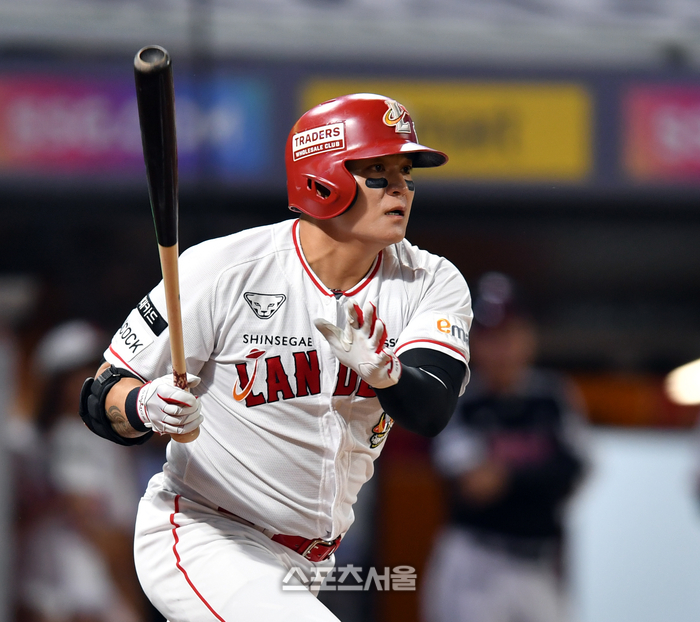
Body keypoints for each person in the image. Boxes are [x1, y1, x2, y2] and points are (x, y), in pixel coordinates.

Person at [78, 93, 472, 622]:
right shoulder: (223, 269)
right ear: (322, 180)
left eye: (405, 173)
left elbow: (432, 410)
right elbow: (101, 395)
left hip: (308, 563)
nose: (401, 188)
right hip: (206, 532)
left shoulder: (429, 281)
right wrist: (145, 406)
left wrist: (387, 373)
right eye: (378, 172)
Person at [420, 272, 589, 622]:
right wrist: (542, 474)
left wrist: (508, 476)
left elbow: (575, 470)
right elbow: (477, 485)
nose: (502, 349)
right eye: (490, 337)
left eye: (510, 334)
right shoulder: (458, 399)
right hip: (478, 563)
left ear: (529, 336)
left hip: (539, 562)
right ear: (473, 342)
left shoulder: (552, 396)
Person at [18, 320, 149, 622]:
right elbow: (90, 522)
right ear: (55, 383)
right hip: (72, 575)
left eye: (97, 369)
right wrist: (125, 577)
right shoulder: (62, 437)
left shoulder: (107, 436)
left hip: (109, 571)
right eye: (77, 372)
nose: (90, 380)